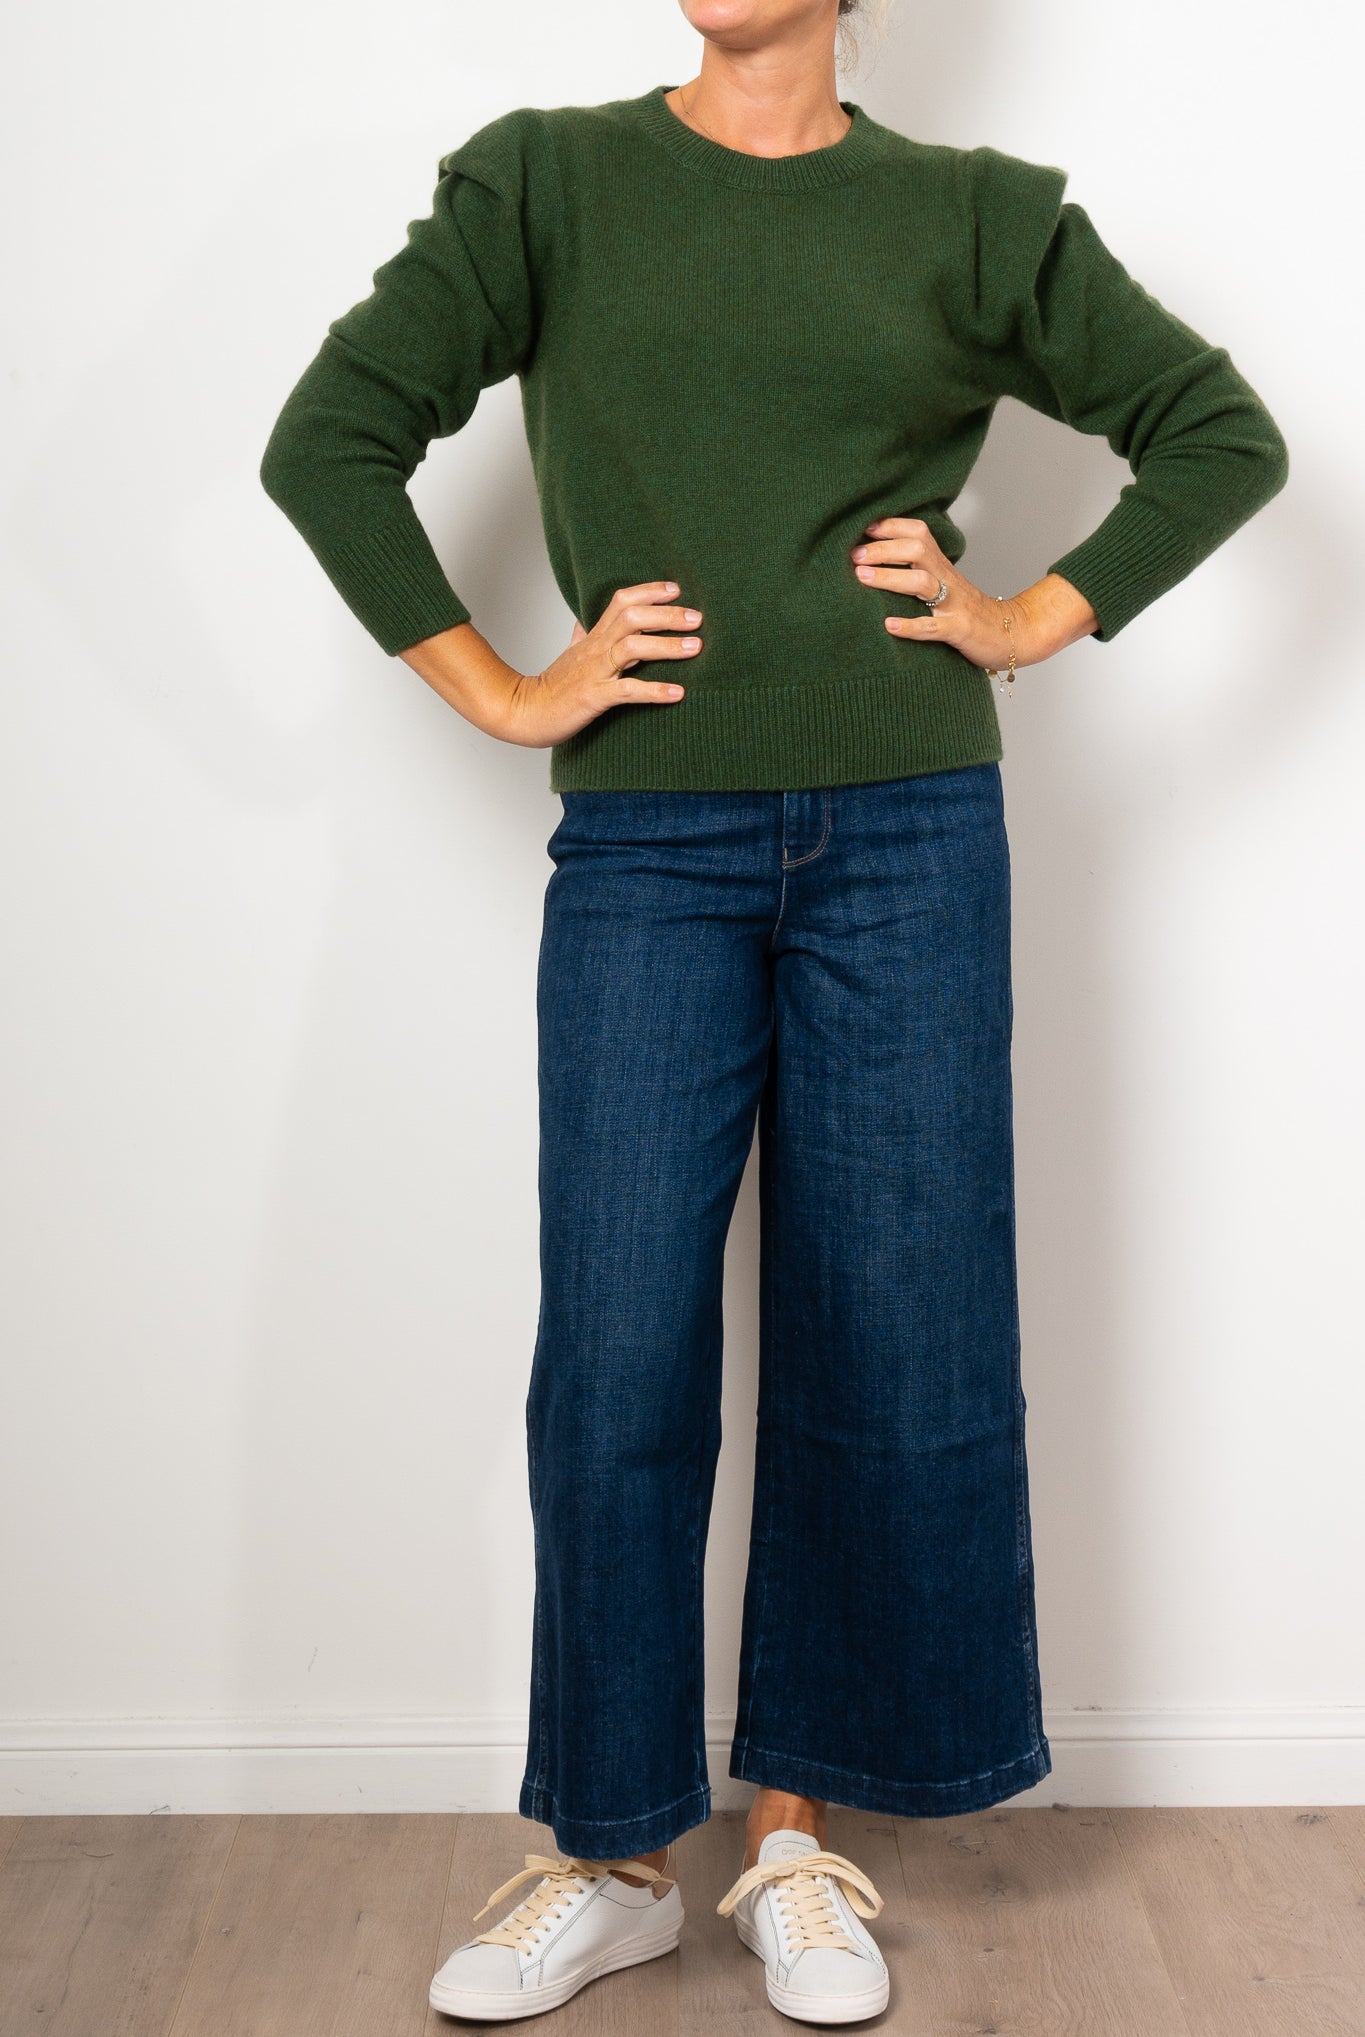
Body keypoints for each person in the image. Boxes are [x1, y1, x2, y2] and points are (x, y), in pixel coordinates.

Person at [259, 0, 1290, 2023]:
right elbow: (329, 440)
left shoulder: (971, 215)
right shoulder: (546, 181)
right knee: (619, 1345)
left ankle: (795, 1837)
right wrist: (505, 688)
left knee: (882, 1334)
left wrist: (1021, 616)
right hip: (646, 843)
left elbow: (1218, 434)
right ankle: (612, 1850)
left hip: (911, 835)